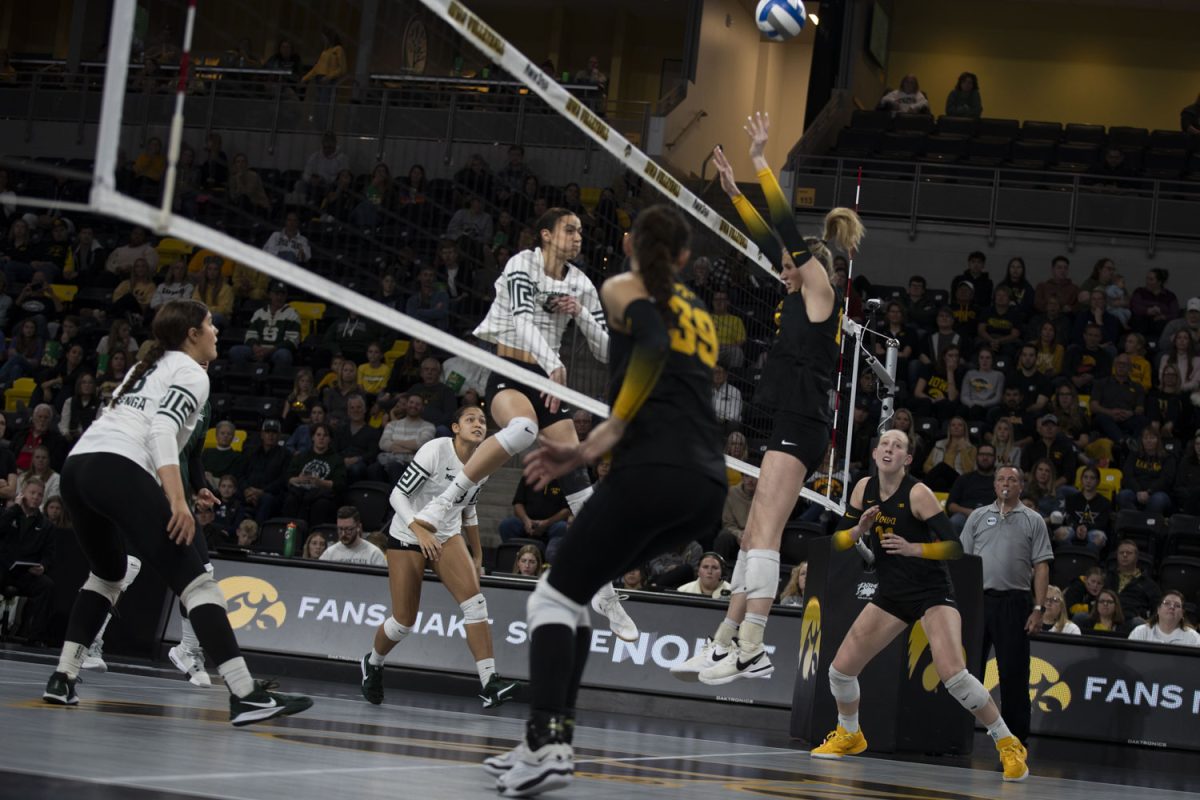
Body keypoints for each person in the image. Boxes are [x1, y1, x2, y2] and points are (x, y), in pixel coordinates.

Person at [483, 204, 728, 795]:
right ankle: (549, 742)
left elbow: (643, 348)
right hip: (707, 487)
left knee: (547, 603)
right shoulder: (700, 313)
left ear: (627, 245)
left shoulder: (620, 285)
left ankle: (548, 741)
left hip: (652, 472)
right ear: (686, 259)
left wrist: (603, 438)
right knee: (573, 591)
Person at [42, 300, 312, 724]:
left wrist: (187, 486)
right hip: (118, 467)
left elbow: (137, 428)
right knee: (198, 583)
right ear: (191, 334)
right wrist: (177, 501)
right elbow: (161, 429)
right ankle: (245, 695)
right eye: (210, 324)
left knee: (108, 574)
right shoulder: (192, 372)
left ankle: (63, 676)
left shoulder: (144, 366)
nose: (217, 332)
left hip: (79, 469)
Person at [674, 113, 864, 687]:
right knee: (755, 531)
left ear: (808, 270)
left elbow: (782, 231)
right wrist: (734, 192)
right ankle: (725, 642)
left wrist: (762, 162)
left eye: (787, 266)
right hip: (786, 418)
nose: (779, 272)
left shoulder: (821, 293)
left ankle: (753, 645)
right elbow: (769, 239)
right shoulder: (794, 297)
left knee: (768, 532)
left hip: (803, 422)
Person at [411, 206, 635, 642]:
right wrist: (553, 364)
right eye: (570, 230)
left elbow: (608, 351)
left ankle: (606, 594)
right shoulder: (522, 264)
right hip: (511, 375)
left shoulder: (580, 282)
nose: (578, 237)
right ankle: (444, 504)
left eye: (582, 231)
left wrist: (581, 313)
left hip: (547, 384)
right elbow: (519, 320)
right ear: (547, 235)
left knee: (581, 486)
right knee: (523, 430)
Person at [810, 430, 1029, 781]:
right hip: (892, 594)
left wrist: (915, 549)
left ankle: (1008, 743)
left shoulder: (918, 493)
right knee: (840, 671)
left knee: (954, 677)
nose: (889, 448)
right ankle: (849, 734)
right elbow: (836, 542)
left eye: (897, 445)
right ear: (876, 451)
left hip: (930, 591)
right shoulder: (862, 489)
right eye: (884, 443)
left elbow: (955, 547)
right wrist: (859, 530)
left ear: (907, 459)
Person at [361, 405, 520, 709]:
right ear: (456, 428)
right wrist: (419, 532)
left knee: (476, 605)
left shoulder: (483, 463)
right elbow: (398, 495)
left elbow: (468, 509)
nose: (478, 424)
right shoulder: (435, 450)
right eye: (470, 419)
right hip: (409, 534)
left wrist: (477, 554)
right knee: (404, 622)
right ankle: (374, 661)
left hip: (447, 536)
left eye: (483, 421)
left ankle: (490, 683)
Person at [959, 464, 1053, 745]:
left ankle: (1015, 745)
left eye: (1012, 479)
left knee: (1013, 677)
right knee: (964, 673)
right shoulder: (977, 517)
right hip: (978, 602)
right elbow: (963, 562)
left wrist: (1038, 609)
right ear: (994, 484)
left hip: (1015, 603)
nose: (1006, 483)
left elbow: (1042, 566)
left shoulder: (1033, 520)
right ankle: (954, 738)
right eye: (1001, 478)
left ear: (1021, 486)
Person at [0, 477, 55, 644]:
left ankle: (35, 636)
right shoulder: (8, 514)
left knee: (46, 586)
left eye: (39, 495)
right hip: (3, 569)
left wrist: (43, 567)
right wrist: (15, 508)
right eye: (32, 493)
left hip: (25, 573)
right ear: (23, 493)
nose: (35, 497)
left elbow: (48, 554)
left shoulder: (45, 525)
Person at [498, 475, 571, 564]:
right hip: (527, 522)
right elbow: (518, 503)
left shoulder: (564, 480)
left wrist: (546, 523)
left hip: (552, 524)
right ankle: (515, 560)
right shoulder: (528, 476)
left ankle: (551, 563)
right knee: (507, 525)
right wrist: (526, 521)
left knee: (562, 527)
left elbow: (567, 510)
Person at [1055, 465, 1111, 552]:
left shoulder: (1105, 502)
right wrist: (1077, 527)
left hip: (1093, 530)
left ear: (1098, 481)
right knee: (1059, 533)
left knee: (1099, 538)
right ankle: (1070, 555)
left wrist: (1086, 528)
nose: (1088, 481)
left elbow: (1103, 523)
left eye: (1092, 478)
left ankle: (1087, 560)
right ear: (1081, 480)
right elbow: (1068, 517)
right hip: (1074, 528)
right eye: (1086, 477)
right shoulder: (1071, 498)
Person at [1104, 538, 1160, 622]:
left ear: (1136, 557)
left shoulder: (1149, 585)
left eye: (1129, 553)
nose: (1125, 555)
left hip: (1131, 621)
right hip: (1104, 617)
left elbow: (1157, 610)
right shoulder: (1107, 577)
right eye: (1121, 553)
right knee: (1080, 617)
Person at [946, 442, 997, 532]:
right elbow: (950, 505)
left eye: (989, 455)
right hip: (965, 516)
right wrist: (967, 512)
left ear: (995, 458)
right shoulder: (964, 479)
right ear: (976, 457)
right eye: (982, 454)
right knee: (955, 522)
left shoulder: (1000, 481)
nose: (985, 458)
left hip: (992, 517)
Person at [1128, 590, 1200, 647]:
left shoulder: (1193, 638)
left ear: (1182, 614)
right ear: (1158, 609)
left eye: (1177, 605)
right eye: (1167, 603)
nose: (1172, 607)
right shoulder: (1140, 632)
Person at [320, 506, 385, 566]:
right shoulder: (329, 554)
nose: (343, 534)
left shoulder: (374, 554)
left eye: (348, 529)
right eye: (340, 529)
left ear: (358, 527)